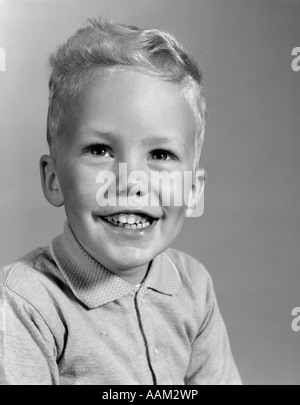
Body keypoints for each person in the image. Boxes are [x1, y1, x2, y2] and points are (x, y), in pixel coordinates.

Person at [0, 18, 242, 385]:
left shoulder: (194, 285)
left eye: (160, 155)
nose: (131, 181)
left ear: (193, 191)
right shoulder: (24, 303)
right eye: (99, 150)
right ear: (53, 180)